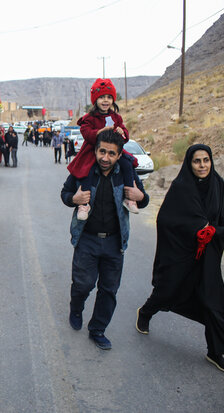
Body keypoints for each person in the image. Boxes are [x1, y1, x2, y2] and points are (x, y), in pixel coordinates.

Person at [135, 144, 224, 373]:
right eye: (197, 161)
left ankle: (215, 352)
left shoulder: (218, 186)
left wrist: (214, 232)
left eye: (206, 160)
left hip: (207, 256)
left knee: (211, 301)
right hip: (182, 254)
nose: (202, 166)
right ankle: (145, 312)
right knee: (167, 290)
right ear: (189, 163)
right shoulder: (181, 187)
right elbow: (166, 220)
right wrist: (197, 229)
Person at [61, 129, 149, 350]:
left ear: (119, 155)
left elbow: (142, 198)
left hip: (114, 242)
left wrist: (142, 198)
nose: (105, 158)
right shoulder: (84, 171)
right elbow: (64, 193)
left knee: (109, 289)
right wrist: (74, 198)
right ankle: (76, 307)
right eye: (102, 152)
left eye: (111, 153)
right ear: (96, 150)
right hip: (87, 240)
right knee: (84, 284)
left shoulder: (126, 173)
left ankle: (97, 329)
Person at [68, 78, 139, 221]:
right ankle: (84, 204)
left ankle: (130, 198)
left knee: (127, 163)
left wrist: (121, 132)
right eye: (101, 97)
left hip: (113, 149)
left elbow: (125, 137)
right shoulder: (90, 117)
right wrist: (100, 132)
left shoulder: (116, 117)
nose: (105, 100)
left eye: (108, 97)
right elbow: (86, 133)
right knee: (87, 169)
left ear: (113, 99)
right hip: (92, 150)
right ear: (95, 100)